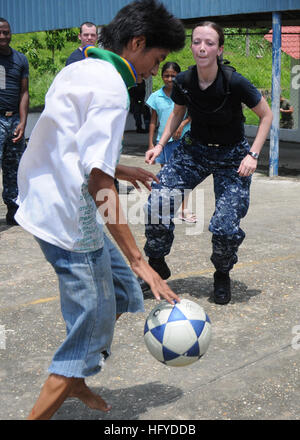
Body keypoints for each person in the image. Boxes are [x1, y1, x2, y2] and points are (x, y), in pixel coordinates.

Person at [15, 0, 185, 420]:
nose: (153, 70)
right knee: (93, 317)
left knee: (121, 289)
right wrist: (141, 259)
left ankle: (77, 380)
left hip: (44, 198)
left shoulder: (80, 68)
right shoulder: (112, 88)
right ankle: (66, 378)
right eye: (157, 59)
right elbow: (98, 183)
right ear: (137, 43)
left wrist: (121, 167)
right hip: (69, 218)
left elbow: (70, 138)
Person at [143, 21, 273, 305]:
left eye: (210, 43)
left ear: (220, 49)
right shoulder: (184, 81)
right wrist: (160, 144)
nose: (202, 48)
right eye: (197, 42)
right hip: (195, 152)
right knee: (157, 203)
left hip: (232, 156)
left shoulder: (234, 82)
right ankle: (157, 261)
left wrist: (253, 154)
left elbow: (266, 115)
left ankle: (221, 274)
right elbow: (177, 113)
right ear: (192, 46)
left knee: (226, 224)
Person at [146, 61, 196, 223]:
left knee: (185, 176)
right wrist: (151, 144)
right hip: (163, 142)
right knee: (166, 177)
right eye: (166, 75)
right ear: (161, 76)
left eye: (173, 76)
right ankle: (166, 210)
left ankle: (184, 209)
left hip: (183, 141)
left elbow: (192, 114)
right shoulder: (155, 96)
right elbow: (153, 121)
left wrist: (182, 124)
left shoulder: (185, 94)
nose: (169, 79)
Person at [0, 17, 29, 225]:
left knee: (14, 168)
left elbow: (24, 92)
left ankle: (13, 210)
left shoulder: (20, 60)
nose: (3, 36)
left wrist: (23, 121)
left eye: (6, 32)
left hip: (14, 122)